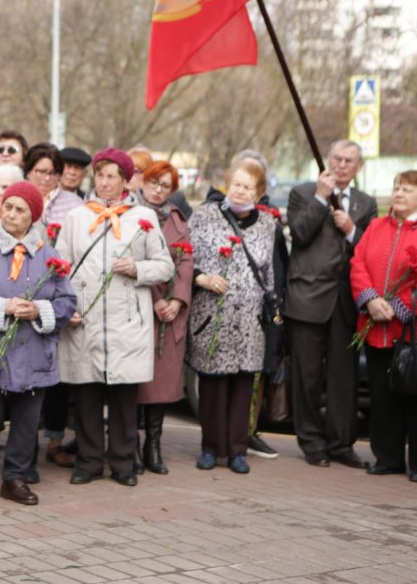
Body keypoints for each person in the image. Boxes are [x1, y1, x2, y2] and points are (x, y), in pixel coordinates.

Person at [0, 181, 77, 507]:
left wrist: (38, 310)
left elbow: (66, 302)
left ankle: (15, 479)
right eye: (7, 206)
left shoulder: (48, 255)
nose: (10, 214)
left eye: (20, 210)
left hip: (34, 351)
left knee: (26, 420)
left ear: (33, 216)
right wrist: (3, 307)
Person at [56, 148, 173, 487]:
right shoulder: (77, 218)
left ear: (125, 180)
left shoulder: (143, 217)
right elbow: (61, 267)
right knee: (87, 394)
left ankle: (123, 462)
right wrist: (68, 306)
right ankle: (89, 461)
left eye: (111, 176)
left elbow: (164, 266)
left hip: (127, 322)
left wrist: (138, 268)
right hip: (86, 320)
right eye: (100, 175)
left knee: (124, 397)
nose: (104, 182)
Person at [287, 140, 376, 469]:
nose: (341, 165)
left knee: (343, 379)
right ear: (327, 160)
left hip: (346, 302)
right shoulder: (302, 193)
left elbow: (371, 250)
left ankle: (341, 444)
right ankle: (312, 443)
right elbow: (299, 234)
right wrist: (320, 199)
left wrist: (352, 230)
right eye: (336, 158)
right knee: (307, 377)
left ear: (358, 167)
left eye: (349, 161)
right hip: (307, 298)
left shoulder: (366, 203)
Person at [187, 160, 279, 475]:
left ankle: (238, 450)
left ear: (259, 192)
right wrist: (201, 279)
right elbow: (184, 257)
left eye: (248, 186)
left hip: (250, 322)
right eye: (236, 184)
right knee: (212, 387)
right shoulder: (205, 215)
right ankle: (211, 448)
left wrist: (271, 306)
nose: (240, 190)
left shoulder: (267, 224)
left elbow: (270, 272)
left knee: (243, 387)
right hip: (212, 316)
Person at [350, 170, 417, 480]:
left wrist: (400, 308)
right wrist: (371, 300)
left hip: (410, 333)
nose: (399, 194)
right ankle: (387, 457)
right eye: (396, 188)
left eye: (407, 189)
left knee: (413, 397)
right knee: (382, 396)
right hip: (376, 327)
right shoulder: (376, 226)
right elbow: (357, 263)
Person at [24, 143, 83, 468]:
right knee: (26, 377)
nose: (46, 178)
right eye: (40, 172)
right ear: (28, 171)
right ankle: (25, 445)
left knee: (56, 378)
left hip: (58, 295)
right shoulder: (18, 200)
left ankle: (56, 441)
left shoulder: (74, 205)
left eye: (52, 173)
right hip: (24, 297)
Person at [137, 161, 193, 474]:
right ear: (143, 182)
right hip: (140, 307)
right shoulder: (130, 214)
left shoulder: (176, 218)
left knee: (159, 384)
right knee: (134, 381)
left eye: (165, 186)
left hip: (168, 314)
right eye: (154, 183)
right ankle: (129, 444)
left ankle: (153, 445)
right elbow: (132, 261)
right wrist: (157, 299)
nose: (158, 190)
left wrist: (177, 299)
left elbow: (186, 260)